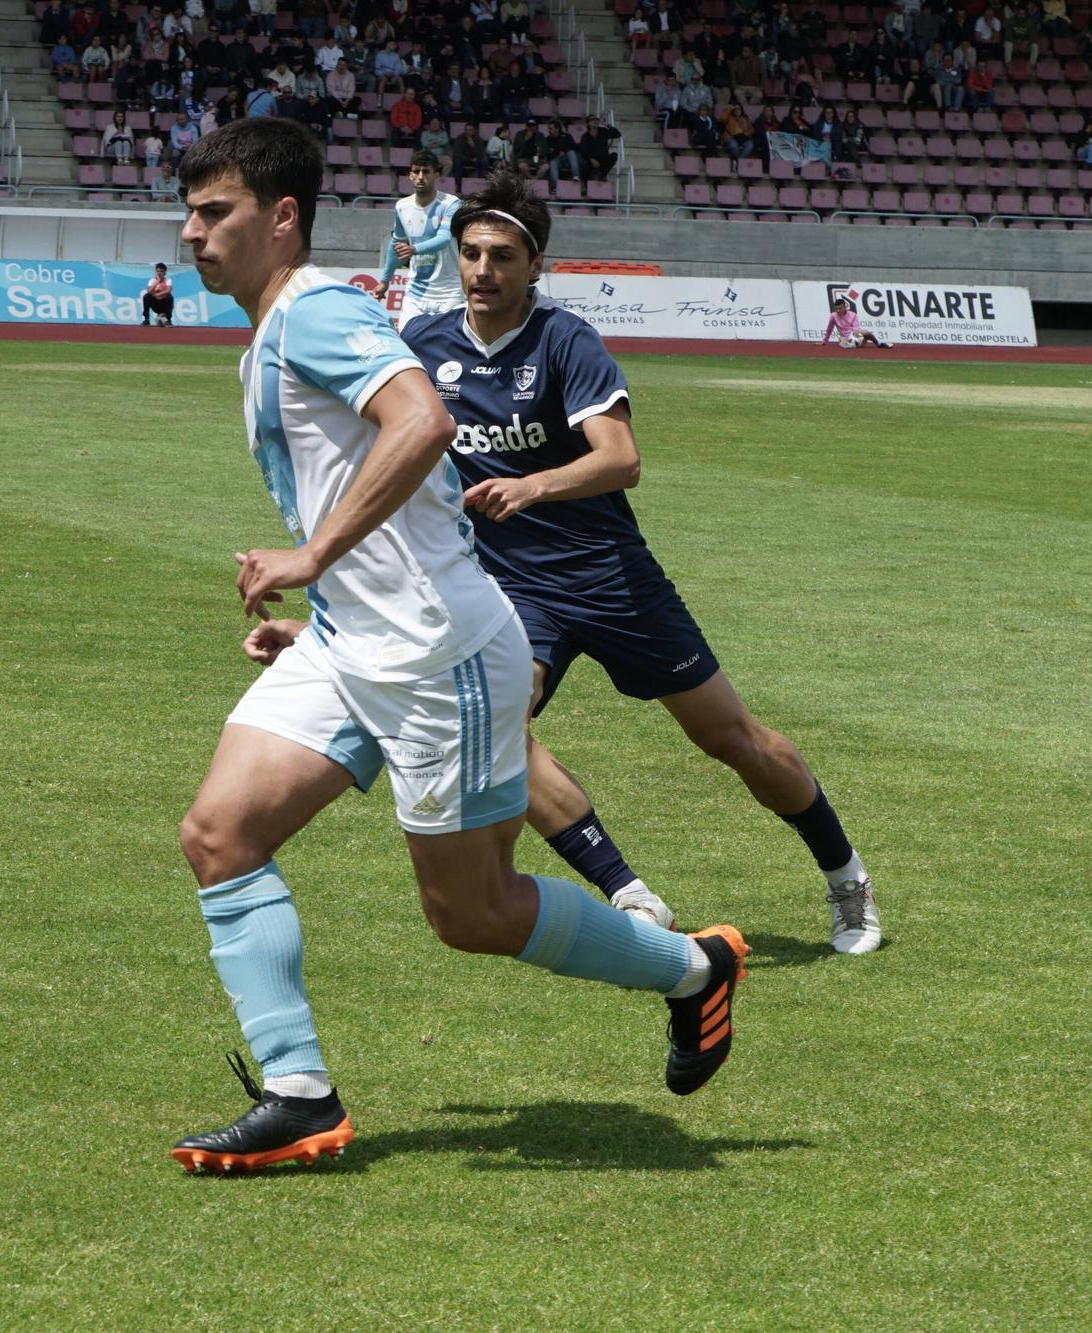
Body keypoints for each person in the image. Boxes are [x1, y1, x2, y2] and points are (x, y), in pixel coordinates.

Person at [166, 121, 753, 1174]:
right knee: (218, 834)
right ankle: (299, 1094)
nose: (190, 233)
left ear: (281, 216)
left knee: (471, 914)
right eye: (191, 212)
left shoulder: (318, 315)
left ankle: (690, 969)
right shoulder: (274, 334)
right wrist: (323, 602)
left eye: (214, 213)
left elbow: (421, 423)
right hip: (351, 643)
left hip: (437, 656)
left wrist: (311, 553)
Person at [401, 170, 880, 957]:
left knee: (736, 741)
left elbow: (621, 460)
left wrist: (533, 486)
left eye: (502, 256)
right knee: (493, 727)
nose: (483, 270)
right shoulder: (427, 345)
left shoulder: (565, 340)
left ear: (536, 265)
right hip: (514, 590)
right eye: (471, 253)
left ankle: (846, 877)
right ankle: (631, 895)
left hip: (610, 576)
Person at [372, 151, 461, 333]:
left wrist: (413, 249)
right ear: (410, 175)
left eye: (426, 172)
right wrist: (385, 281)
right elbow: (396, 243)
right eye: (416, 171)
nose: (420, 177)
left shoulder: (451, 204)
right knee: (406, 341)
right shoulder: (402, 206)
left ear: (436, 175)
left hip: (450, 293)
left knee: (448, 350)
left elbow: (444, 238)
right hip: (416, 293)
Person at [822, 296, 887, 349]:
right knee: (841, 339)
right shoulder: (833, 316)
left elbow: (856, 328)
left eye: (840, 308)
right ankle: (851, 345)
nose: (838, 311)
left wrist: (854, 336)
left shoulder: (853, 315)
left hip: (856, 336)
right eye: (836, 309)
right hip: (846, 339)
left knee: (866, 332)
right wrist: (824, 341)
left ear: (845, 307)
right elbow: (829, 330)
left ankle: (879, 344)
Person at [140, 260, 173, 325]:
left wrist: (157, 294)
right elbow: (149, 291)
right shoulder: (152, 280)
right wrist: (157, 282)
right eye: (157, 271)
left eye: (161, 271)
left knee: (169, 297)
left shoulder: (168, 280)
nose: (159, 273)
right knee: (146, 296)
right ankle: (146, 319)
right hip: (155, 305)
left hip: (164, 304)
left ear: (165, 273)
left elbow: (168, 290)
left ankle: (168, 320)